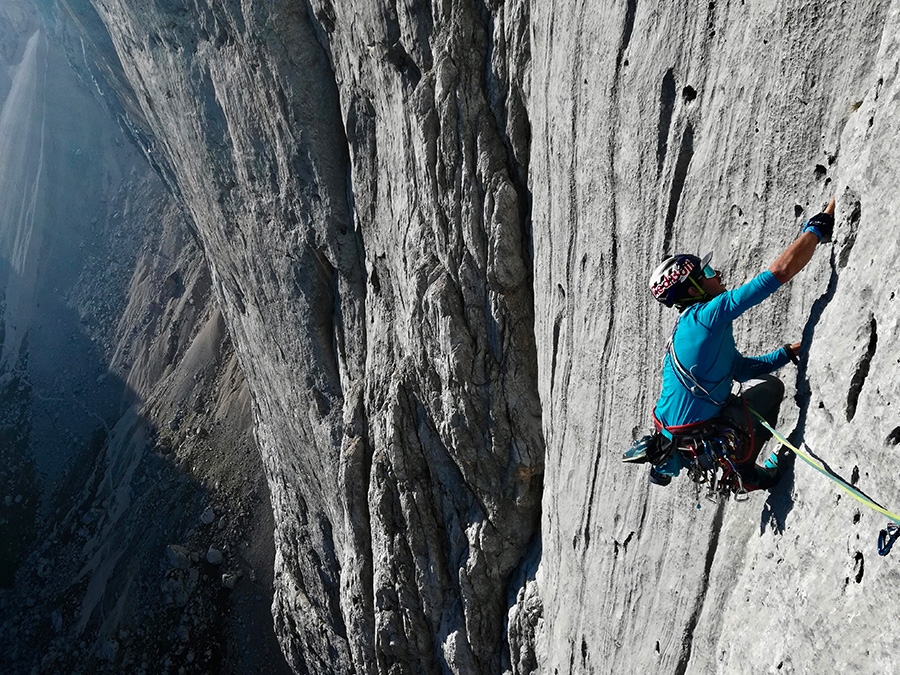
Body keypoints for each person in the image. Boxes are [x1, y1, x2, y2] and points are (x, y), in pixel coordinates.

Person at [644, 198, 836, 494]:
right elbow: (777, 274)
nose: (717, 273)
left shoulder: (687, 329)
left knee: (770, 387)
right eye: (707, 274)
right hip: (705, 437)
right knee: (771, 390)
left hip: (691, 441)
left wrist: (788, 352)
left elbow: (741, 369)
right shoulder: (707, 316)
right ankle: (746, 473)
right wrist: (815, 230)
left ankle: (741, 466)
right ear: (693, 289)